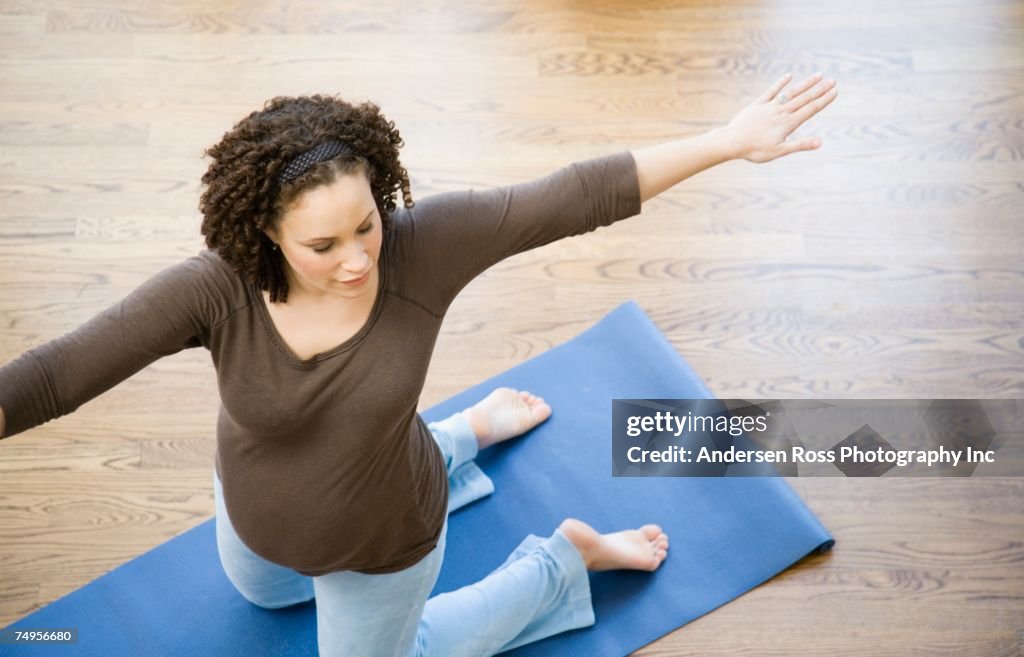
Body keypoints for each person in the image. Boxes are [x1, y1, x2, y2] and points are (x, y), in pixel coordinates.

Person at [0, 71, 837, 656]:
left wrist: (727, 142)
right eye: (321, 245)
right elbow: (53, 376)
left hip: (385, 539)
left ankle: (562, 560)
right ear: (265, 234)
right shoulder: (215, 291)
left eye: (365, 223)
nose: (357, 258)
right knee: (263, 593)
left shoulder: (421, 247)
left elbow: (574, 195)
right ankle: (463, 432)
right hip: (256, 527)